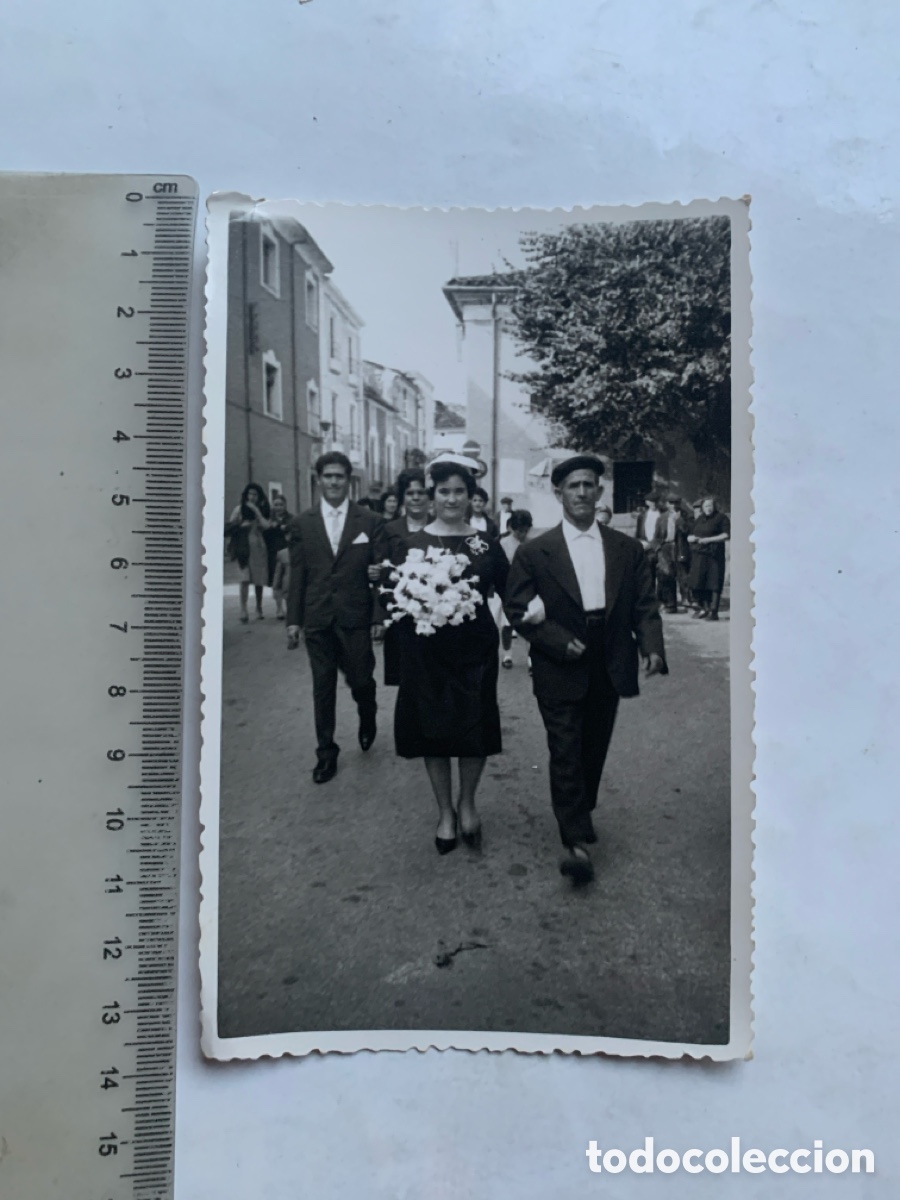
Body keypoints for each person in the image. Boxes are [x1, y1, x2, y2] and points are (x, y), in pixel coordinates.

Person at [505, 455, 667, 885]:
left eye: (588, 485)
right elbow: (517, 609)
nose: (581, 492)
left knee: (593, 746)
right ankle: (575, 841)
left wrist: (651, 647)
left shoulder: (626, 549)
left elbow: (644, 603)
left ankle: (579, 809)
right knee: (565, 748)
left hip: (609, 656)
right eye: (573, 485)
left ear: (599, 491)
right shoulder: (535, 552)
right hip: (559, 660)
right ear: (558, 493)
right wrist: (556, 640)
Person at [390, 458, 510, 854]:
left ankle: (467, 802)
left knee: (474, 727)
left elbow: (512, 592)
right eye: (444, 491)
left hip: (475, 652)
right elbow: (396, 600)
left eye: (460, 491)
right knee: (433, 729)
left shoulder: (486, 544)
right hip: (426, 652)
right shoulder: (411, 544)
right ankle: (445, 812)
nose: (452, 499)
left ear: (472, 497)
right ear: (432, 496)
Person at [286, 452, 389, 784]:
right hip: (317, 617)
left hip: (355, 615)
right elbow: (298, 574)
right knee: (323, 685)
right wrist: (293, 620)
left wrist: (378, 617)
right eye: (328, 476)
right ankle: (326, 753)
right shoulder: (302, 523)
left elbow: (380, 574)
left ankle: (367, 712)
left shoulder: (369, 521)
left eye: (339, 476)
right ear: (319, 480)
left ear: (349, 480)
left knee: (360, 678)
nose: (333, 482)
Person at [380, 468, 430, 686]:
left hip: (435, 615)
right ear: (402, 497)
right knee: (406, 679)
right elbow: (383, 574)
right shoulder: (390, 530)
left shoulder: (440, 528)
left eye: (421, 492)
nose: (416, 497)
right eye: (410, 493)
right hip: (401, 617)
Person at [226, 483, 272, 623]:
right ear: (246, 495)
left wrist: (256, 511)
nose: (252, 497)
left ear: (259, 497)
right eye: (250, 494)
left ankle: (259, 608)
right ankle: (243, 610)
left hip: (258, 546)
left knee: (258, 578)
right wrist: (241, 525)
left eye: (255, 494)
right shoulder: (239, 509)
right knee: (244, 578)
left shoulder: (262, 510)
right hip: (243, 546)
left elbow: (266, 526)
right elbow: (229, 527)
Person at [498, 509, 534, 668]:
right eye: (519, 531)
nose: (523, 534)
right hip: (508, 588)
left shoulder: (532, 543)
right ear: (512, 528)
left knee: (529, 623)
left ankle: (531, 658)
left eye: (526, 530)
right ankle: (507, 654)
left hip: (527, 588)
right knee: (507, 624)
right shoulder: (503, 544)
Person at [687, 496, 730, 620]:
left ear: (714, 506)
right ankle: (705, 609)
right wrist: (690, 538)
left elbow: (726, 535)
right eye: (706, 506)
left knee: (714, 583)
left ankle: (714, 611)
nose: (708, 508)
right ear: (702, 507)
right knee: (701, 581)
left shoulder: (721, 518)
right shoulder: (700, 519)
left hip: (714, 556)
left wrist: (708, 540)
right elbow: (691, 534)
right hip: (700, 555)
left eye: (710, 505)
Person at [264, 493, 293, 620]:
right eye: (276, 505)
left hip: (286, 554)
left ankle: (289, 607)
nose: (278, 507)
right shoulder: (268, 519)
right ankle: (279, 608)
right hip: (272, 554)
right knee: (276, 582)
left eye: (281, 505)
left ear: (285, 505)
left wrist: (286, 528)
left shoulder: (291, 519)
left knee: (287, 581)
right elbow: (265, 535)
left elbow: (295, 532)